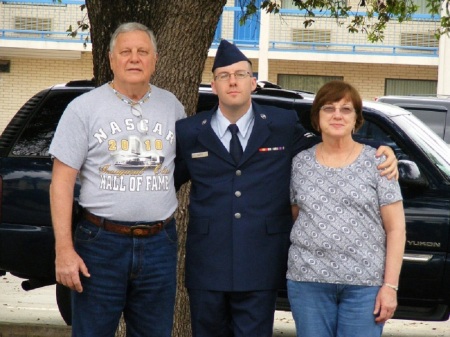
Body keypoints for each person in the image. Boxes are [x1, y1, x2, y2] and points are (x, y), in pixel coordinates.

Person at [174, 40, 398, 337]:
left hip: (260, 261)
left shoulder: (280, 123)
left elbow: (325, 142)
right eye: (224, 75)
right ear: (213, 85)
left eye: (240, 74)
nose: (232, 81)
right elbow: (167, 181)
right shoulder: (190, 131)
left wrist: (378, 149)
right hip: (207, 262)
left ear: (253, 83)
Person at [49, 22, 185, 337]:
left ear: (154, 59)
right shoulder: (83, 109)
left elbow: (181, 168)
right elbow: (61, 183)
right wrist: (64, 250)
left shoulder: (173, 107)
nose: (134, 58)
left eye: (142, 52)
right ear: (112, 60)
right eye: (125, 52)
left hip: (159, 244)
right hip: (99, 245)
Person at [287, 80, 406, 337]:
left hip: (365, 286)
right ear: (317, 118)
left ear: (357, 119)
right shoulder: (299, 163)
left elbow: (396, 229)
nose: (337, 115)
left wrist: (390, 286)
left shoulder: (379, 162)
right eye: (328, 108)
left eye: (346, 109)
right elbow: (297, 216)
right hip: (308, 282)